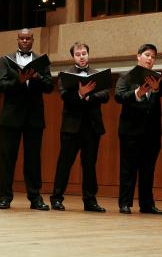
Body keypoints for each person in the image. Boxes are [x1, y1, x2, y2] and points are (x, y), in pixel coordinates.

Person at [0, 28, 54, 210]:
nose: (25, 41)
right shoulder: (6, 60)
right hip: (11, 116)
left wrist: (36, 77)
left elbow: (50, 86)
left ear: (33, 40)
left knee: (33, 159)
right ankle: (5, 197)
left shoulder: (41, 61)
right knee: (7, 158)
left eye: (29, 39)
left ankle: (35, 198)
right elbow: (1, 85)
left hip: (34, 117)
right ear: (17, 40)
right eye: (22, 38)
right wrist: (19, 80)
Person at [49, 42, 109, 212]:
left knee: (90, 164)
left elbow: (105, 95)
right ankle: (57, 198)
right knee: (65, 163)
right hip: (71, 126)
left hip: (92, 126)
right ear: (73, 56)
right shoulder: (66, 74)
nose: (82, 56)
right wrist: (80, 94)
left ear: (88, 55)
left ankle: (90, 201)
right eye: (78, 54)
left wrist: (88, 96)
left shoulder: (97, 74)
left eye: (84, 53)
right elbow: (64, 96)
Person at [115, 43, 162, 215]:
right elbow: (119, 96)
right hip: (130, 131)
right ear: (138, 56)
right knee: (128, 169)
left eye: (153, 57)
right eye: (147, 55)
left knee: (148, 170)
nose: (150, 59)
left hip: (152, 133)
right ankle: (125, 204)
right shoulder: (126, 77)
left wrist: (157, 87)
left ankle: (147, 205)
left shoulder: (157, 79)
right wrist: (137, 93)